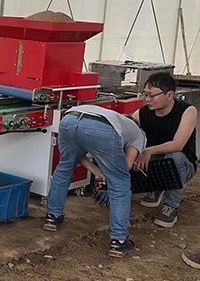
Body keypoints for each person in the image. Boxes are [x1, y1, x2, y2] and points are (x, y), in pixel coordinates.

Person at [43, 105, 145, 258]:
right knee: (120, 183)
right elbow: (126, 166)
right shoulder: (139, 134)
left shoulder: (117, 119)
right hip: (102, 128)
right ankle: (119, 240)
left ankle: (52, 217)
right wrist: (110, 176)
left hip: (69, 119)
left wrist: (98, 172)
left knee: (65, 167)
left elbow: (78, 155)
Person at [131, 72, 197, 228]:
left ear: (169, 95)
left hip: (182, 165)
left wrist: (148, 151)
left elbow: (178, 144)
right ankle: (156, 188)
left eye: (152, 95)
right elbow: (128, 137)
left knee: (174, 156)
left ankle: (170, 205)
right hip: (153, 165)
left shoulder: (187, 111)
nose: (147, 99)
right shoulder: (141, 114)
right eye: (145, 95)